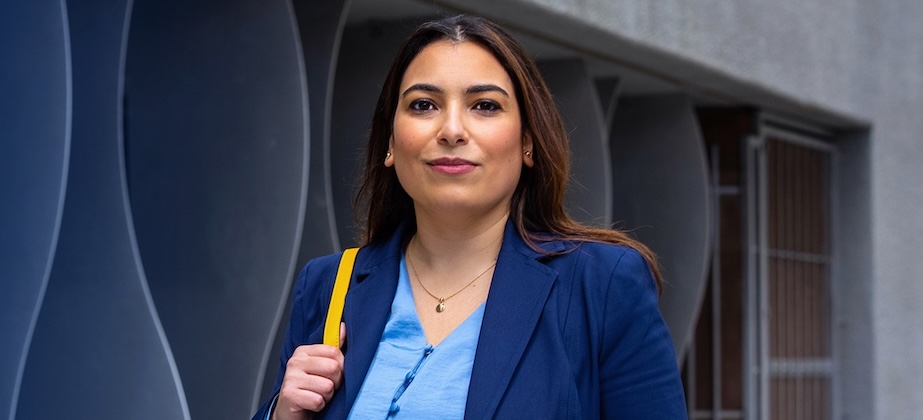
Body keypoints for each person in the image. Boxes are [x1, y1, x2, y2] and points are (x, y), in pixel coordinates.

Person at [253, 14, 687, 420]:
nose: (452, 130)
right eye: (423, 105)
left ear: (528, 144)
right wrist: (282, 414)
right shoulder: (329, 286)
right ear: (390, 143)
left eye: (485, 105)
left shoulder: (602, 284)